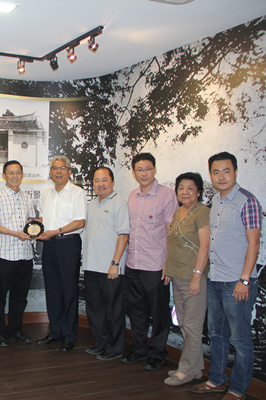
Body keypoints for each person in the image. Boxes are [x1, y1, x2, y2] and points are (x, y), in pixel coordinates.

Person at [190, 152, 262, 400]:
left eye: (226, 171)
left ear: (236, 171)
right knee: (216, 334)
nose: (221, 176)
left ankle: (238, 389)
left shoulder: (247, 201)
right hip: (216, 278)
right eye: (216, 172)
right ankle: (216, 380)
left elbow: (254, 244)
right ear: (211, 175)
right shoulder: (216, 201)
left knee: (240, 340)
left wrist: (244, 280)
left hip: (237, 282)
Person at [121, 152, 178, 371]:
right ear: (134, 172)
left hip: (156, 266)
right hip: (133, 263)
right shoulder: (132, 196)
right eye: (139, 169)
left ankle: (157, 353)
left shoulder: (167, 195)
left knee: (159, 312)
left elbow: (171, 232)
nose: (143, 173)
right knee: (137, 310)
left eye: (147, 169)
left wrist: (169, 264)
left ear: (154, 170)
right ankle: (139, 349)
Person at [35, 155, 86, 352]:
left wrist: (56, 231)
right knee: (53, 290)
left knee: (69, 290)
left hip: (68, 244)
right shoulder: (45, 193)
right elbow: (42, 218)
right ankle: (55, 332)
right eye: (55, 168)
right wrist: (34, 227)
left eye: (62, 168)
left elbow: (80, 222)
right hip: (49, 246)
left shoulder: (77, 193)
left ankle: (69, 335)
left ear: (69, 171)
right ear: (50, 172)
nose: (58, 171)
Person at [163, 172, 210, 386]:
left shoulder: (203, 212)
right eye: (181, 188)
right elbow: (172, 243)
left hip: (193, 278)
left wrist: (197, 276)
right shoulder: (178, 212)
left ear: (198, 191)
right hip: (177, 276)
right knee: (183, 323)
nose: (185, 192)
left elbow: (205, 246)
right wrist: (167, 266)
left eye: (190, 188)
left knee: (192, 326)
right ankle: (196, 368)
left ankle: (185, 370)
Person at [82, 166, 129, 361]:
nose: (100, 184)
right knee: (95, 309)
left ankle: (116, 348)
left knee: (114, 310)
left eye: (104, 180)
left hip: (111, 268)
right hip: (91, 266)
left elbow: (123, 235)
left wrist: (115, 263)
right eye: (96, 180)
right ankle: (101, 343)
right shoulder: (91, 204)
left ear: (112, 182)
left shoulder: (119, 203)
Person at [0, 160, 36, 347]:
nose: (15, 176)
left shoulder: (27, 198)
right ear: (4, 176)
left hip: (25, 255)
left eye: (18, 173)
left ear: (22, 175)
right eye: (11, 173)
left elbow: (31, 222)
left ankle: (16, 330)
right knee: (0, 296)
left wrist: (33, 227)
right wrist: (15, 233)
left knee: (20, 297)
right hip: (5, 255)